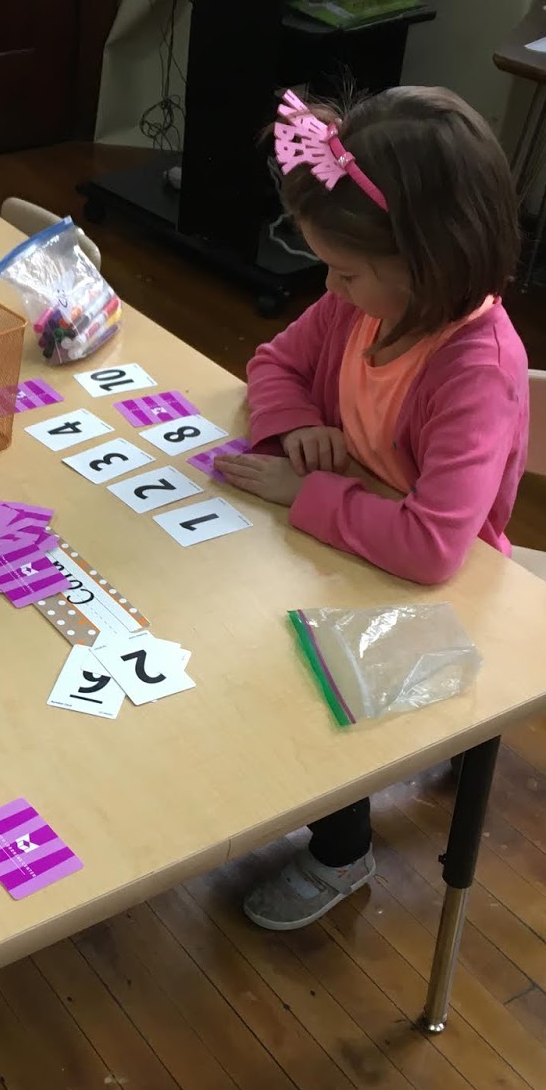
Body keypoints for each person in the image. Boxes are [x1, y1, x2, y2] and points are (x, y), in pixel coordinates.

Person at [216, 86, 527, 932]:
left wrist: (310, 491)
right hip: (351, 538)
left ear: (429, 261)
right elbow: (272, 361)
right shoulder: (360, 304)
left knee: (317, 690)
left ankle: (341, 850)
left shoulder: (474, 367)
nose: (330, 285)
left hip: (441, 584)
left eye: (346, 270)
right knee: (242, 627)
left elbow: (434, 549)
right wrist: (300, 426)